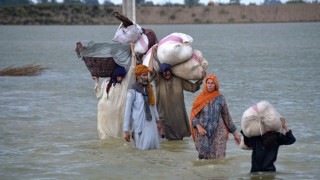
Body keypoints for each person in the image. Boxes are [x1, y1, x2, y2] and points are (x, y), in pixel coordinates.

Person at [148, 45, 205, 140]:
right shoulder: (158, 80)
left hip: (178, 116)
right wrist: (152, 53)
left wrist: (201, 78)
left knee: (178, 140)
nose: (167, 74)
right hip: (163, 115)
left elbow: (193, 88)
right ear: (161, 73)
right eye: (164, 72)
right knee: (163, 140)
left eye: (168, 72)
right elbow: (150, 70)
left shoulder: (179, 79)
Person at [190, 74, 241, 159]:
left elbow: (227, 116)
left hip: (219, 133)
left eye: (212, 83)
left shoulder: (221, 98)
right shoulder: (200, 98)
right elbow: (193, 115)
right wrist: (199, 127)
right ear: (205, 84)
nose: (210, 85)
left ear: (216, 85)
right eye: (208, 83)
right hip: (203, 132)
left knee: (219, 159)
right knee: (203, 159)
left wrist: (235, 134)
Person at [92, 44, 136, 139]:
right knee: (103, 134)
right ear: (115, 75)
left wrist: (133, 52)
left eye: (122, 76)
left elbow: (132, 68)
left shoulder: (124, 83)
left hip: (116, 113)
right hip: (104, 112)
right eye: (118, 76)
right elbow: (99, 95)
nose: (120, 78)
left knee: (116, 133)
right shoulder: (107, 82)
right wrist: (96, 82)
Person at [123, 64, 162, 150]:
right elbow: (127, 111)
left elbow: (153, 106)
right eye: (144, 75)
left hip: (151, 124)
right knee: (140, 150)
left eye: (146, 75)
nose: (146, 77)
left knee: (153, 149)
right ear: (137, 76)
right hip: (139, 125)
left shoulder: (149, 89)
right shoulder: (132, 92)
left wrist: (158, 121)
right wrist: (126, 130)